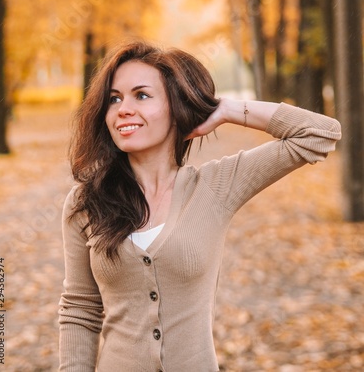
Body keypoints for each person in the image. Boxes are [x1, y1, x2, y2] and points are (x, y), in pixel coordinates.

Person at [58, 41, 341, 372]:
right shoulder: (86, 202)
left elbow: (319, 133)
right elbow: (80, 308)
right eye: (114, 98)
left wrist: (229, 110)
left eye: (142, 95)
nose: (123, 109)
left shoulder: (216, 186)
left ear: (177, 106)